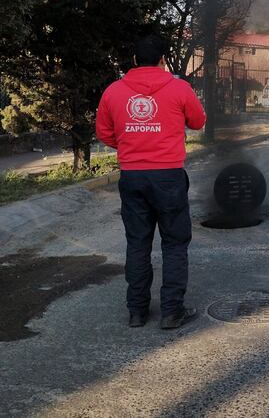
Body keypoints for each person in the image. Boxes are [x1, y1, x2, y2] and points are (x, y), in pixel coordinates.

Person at [96, 35, 206, 330]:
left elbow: (104, 133)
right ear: (163, 60)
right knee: (174, 243)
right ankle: (171, 312)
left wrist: (131, 143)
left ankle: (137, 311)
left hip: (132, 176)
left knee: (138, 243)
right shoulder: (179, 88)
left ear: (133, 60)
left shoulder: (113, 92)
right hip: (169, 176)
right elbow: (198, 121)